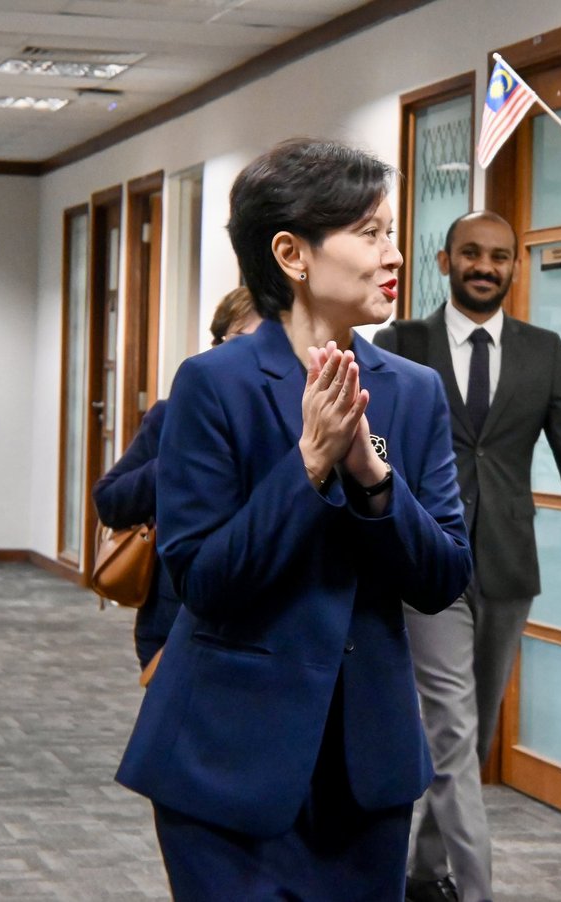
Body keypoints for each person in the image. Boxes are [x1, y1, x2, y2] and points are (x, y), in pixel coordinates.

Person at [116, 139, 472, 901]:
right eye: (371, 233)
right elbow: (204, 581)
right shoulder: (214, 386)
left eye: (391, 232)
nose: (395, 252)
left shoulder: (411, 393)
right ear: (291, 253)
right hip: (224, 762)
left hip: (365, 769)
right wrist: (308, 464)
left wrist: (375, 481)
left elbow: (443, 575)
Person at [374, 211, 561, 902]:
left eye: (498, 256)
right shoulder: (400, 342)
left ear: (515, 265)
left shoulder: (541, 350)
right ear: (443, 260)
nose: (484, 266)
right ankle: (476, 889)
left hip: (509, 567)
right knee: (453, 728)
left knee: (475, 730)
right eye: (470, 254)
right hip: (426, 564)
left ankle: (424, 873)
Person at [92, 287, 260, 677]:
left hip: (258, 629)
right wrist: (182, 455)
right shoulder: (172, 416)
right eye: (241, 342)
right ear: (216, 345)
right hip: (173, 625)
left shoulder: (294, 424)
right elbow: (110, 501)